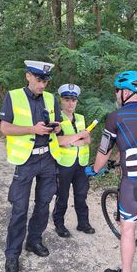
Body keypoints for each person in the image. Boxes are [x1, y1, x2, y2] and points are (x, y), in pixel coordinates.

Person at [86, 71, 137, 272]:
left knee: (127, 227)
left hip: (134, 181)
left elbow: (104, 152)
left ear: (126, 92)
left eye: (117, 91)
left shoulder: (115, 117)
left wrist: (94, 169)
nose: (116, 95)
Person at [0, 60, 62, 272]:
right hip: (26, 161)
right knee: (19, 208)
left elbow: (59, 124)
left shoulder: (51, 99)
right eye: (38, 79)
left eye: (45, 80)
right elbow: (5, 128)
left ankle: (34, 241)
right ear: (28, 76)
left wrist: (56, 127)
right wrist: (32, 129)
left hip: (48, 159)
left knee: (44, 203)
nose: (42, 84)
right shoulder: (14, 96)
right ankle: (12, 255)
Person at [52, 84, 94, 237]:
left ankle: (83, 223)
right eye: (67, 99)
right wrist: (77, 137)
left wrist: (75, 141)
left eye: (73, 100)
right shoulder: (56, 119)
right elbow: (58, 140)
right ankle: (59, 224)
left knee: (81, 195)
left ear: (77, 101)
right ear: (61, 100)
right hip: (64, 164)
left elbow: (88, 139)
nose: (70, 103)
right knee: (62, 195)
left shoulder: (81, 118)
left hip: (81, 164)